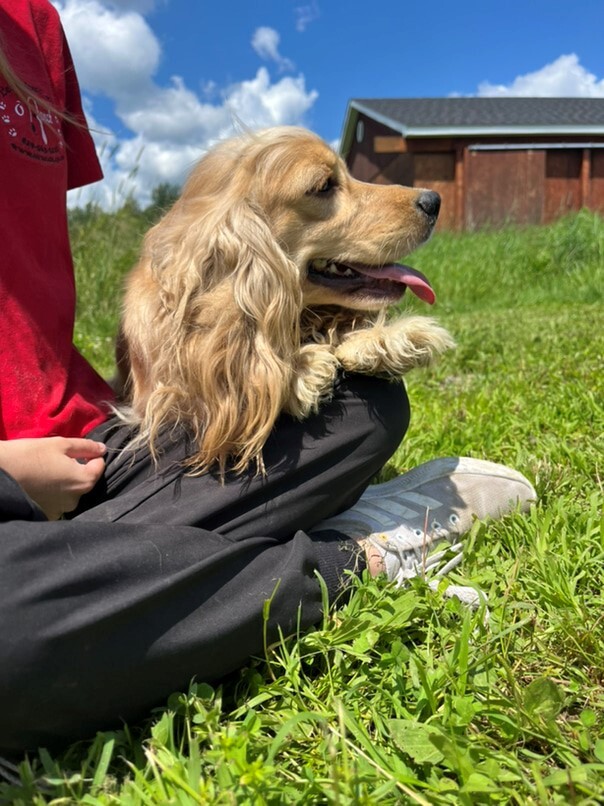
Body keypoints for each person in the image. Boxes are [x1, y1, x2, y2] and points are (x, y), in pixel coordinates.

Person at [0, 0, 536, 755]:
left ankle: (140, 575)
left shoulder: (31, 23)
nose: (403, 200)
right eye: (326, 189)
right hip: (23, 518)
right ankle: (352, 554)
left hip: (92, 453)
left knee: (368, 405)